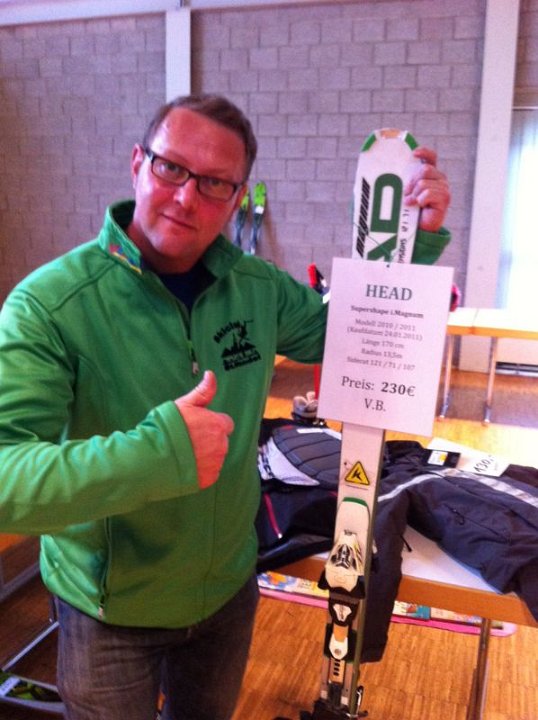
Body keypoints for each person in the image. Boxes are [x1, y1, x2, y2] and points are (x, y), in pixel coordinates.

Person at [0, 94, 451, 720]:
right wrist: (157, 456)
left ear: (238, 197)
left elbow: (352, 335)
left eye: (214, 183)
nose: (186, 198)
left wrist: (409, 245)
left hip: (228, 595)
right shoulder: (49, 305)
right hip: (109, 613)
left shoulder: (256, 287)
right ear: (138, 164)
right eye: (171, 168)